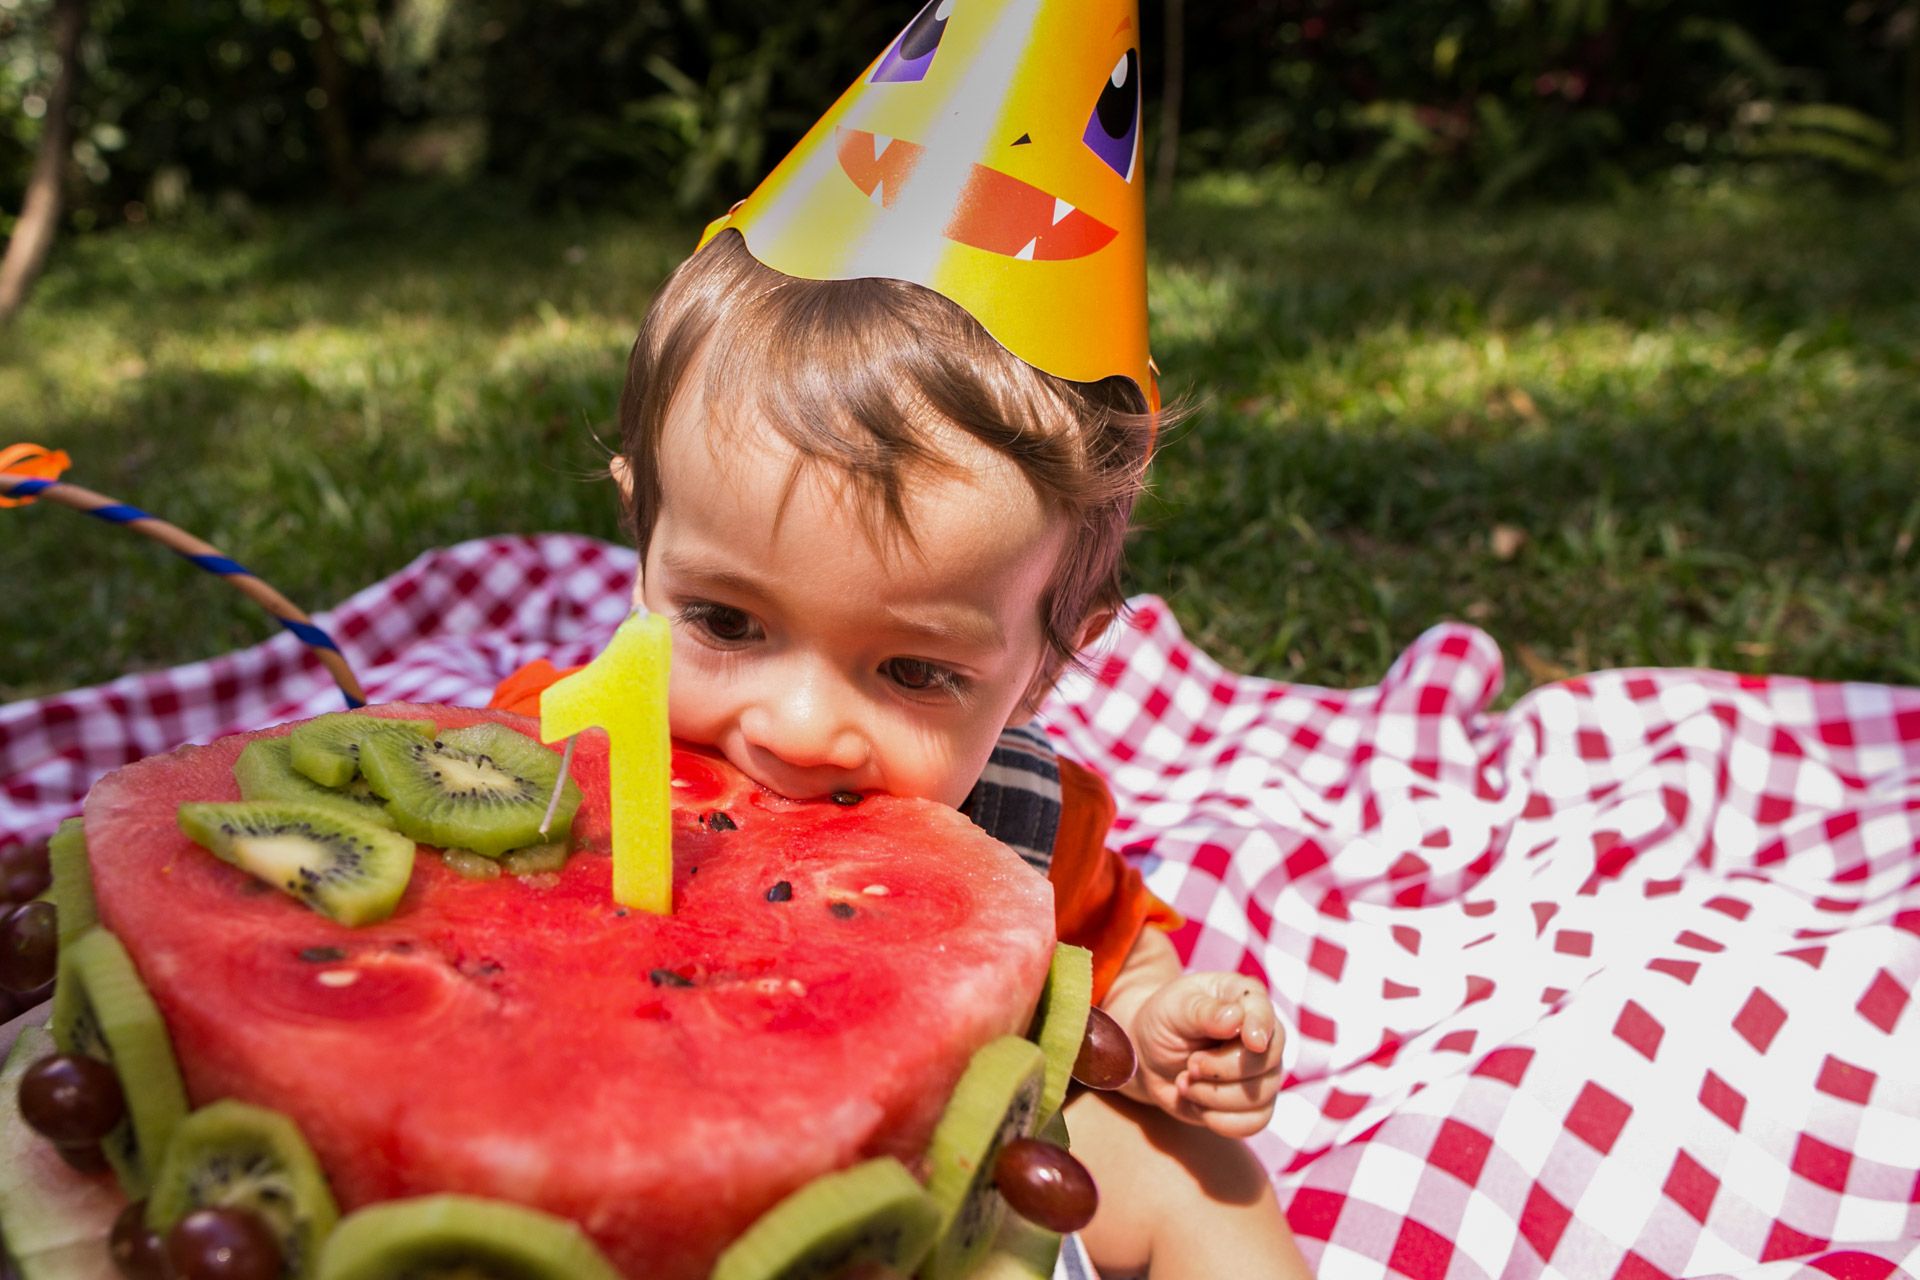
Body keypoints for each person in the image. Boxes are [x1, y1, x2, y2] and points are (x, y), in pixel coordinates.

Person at [489, 230, 1310, 1280]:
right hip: (608, 1172)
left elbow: (1114, 961)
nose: (796, 726)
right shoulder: (548, 748)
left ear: (1044, 670)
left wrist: (1158, 1035)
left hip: (934, 1189)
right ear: (641, 534)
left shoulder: (1022, 824)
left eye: (914, 672)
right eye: (728, 622)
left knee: (1208, 1177)